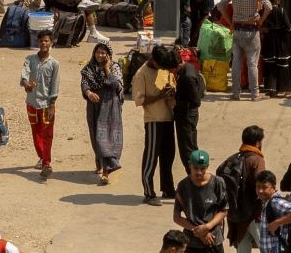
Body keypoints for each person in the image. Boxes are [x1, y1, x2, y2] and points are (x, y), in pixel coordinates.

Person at [215, 0, 271, 101]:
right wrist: (261, 20)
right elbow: (269, 6)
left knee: (236, 63)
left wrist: (230, 22)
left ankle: (235, 93)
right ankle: (254, 93)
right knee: (252, 63)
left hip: (237, 30)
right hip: (251, 30)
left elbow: (221, 5)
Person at [133, 44, 177, 206]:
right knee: (151, 157)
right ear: (153, 60)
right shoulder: (141, 74)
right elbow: (139, 100)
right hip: (153, 120)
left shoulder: (163, 68)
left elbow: (171, 85)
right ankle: (149, 192)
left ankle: (167, 188)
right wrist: (159, 96)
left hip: (168, 117)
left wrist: (170, 91)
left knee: (168, 156)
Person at [80, 42, 123, 185]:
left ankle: (107, 170)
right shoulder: (89, 68)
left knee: (106, 137)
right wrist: (89, 92)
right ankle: (100, 164)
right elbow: (84, 83)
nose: (100, 55)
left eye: (103, 53)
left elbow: (117, 86)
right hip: (94, 106)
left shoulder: (115, 67)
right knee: (95, 135)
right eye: (98, 52)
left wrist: (107, 70)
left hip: (110, 107)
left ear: (108, 55)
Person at [20, 30, 60, 179]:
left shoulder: (54, 64)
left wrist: (52, 105)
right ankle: (42, 157)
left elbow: (54, 86)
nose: (43, 43)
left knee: (47, 134)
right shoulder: (30, 59)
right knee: (35, 132)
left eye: (46, 41)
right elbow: (24, 75)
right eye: (41, 41)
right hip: (31, 102)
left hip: (46, 105)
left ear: (51, 43)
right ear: (38, 43)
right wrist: (26, 85)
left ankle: (46, 163)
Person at [222, 126, 266, 253]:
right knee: (268, 249)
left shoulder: (232, 159)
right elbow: (261, 187)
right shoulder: (256, 160)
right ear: (258, 142)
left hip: (236, 215)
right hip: (254, 215)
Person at [173, 150, 228, 253]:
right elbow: (177, 217)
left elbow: (224, 210)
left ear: (207, 167)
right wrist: (199, 232)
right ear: (189, 166)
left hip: (213, 240)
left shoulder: (217, 183)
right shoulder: (183, 186)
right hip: (191, 242)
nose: (199, 172)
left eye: (202, 168)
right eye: (195, 168)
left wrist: (207, 227)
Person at [256, 170, 291, 253]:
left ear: (273, 187)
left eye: (264, 187)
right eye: (258, 187)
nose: (260, 191)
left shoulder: (275, 202)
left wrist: (276, 223)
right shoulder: (267, 202)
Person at [170, 46, 203, 174]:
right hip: (187, 115)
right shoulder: (188, 69)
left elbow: (196, 100)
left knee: (187, 149)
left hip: (187, 115)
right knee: (190, 147)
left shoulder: (187, 75)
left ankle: (194, 177)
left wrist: (177, 99)